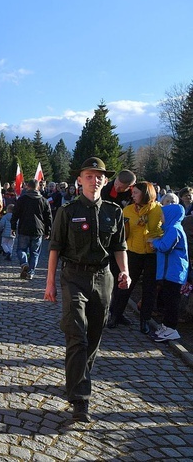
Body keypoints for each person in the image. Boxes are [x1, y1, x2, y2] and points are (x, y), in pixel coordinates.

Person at [44, 157, 130, 423]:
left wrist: (124, 271)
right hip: (74, 277)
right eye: (89, 176)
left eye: (99, 177)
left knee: (94, 336)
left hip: (103, 278)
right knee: (77, 335)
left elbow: (119, 247)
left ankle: (76, 378)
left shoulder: (114, 212)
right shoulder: (67, 211)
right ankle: (80, 399)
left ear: (105, 181)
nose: (95, 181)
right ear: (79, 180)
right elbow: (55, 248)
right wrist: (49, 283)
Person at [107, 182, 162, 332]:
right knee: (125, 286)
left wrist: (156, 239)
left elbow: (164, 230)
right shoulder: (128, 210)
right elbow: (120, 233)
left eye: (136, 193)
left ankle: (145, 319)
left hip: (152, 254)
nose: (132, 195)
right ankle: (115, 315)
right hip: (132, 252)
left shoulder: (158, 210)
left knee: (149, 289)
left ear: (145, 194)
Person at [150, 203, 189, 342]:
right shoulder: (171, 229)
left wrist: (154, 243)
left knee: (171, 301)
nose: (161, 217)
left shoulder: (173, 229)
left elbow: (166, 247)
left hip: (173, 272)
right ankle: (166, 326)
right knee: (167, 299)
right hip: (170, 271)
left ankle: (171, 328)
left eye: (163, 214)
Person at [11, 179, 52, 280]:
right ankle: (30, 272)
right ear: (38, 187)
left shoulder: (22, 199)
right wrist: (48, 231)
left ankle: (24, 263)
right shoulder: (44, 200)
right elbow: (48, 218)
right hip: (38, 230)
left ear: (27, 187)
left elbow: (15, 214)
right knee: (34, 253)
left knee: (21, 249)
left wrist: (13, 227)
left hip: (24, 228)